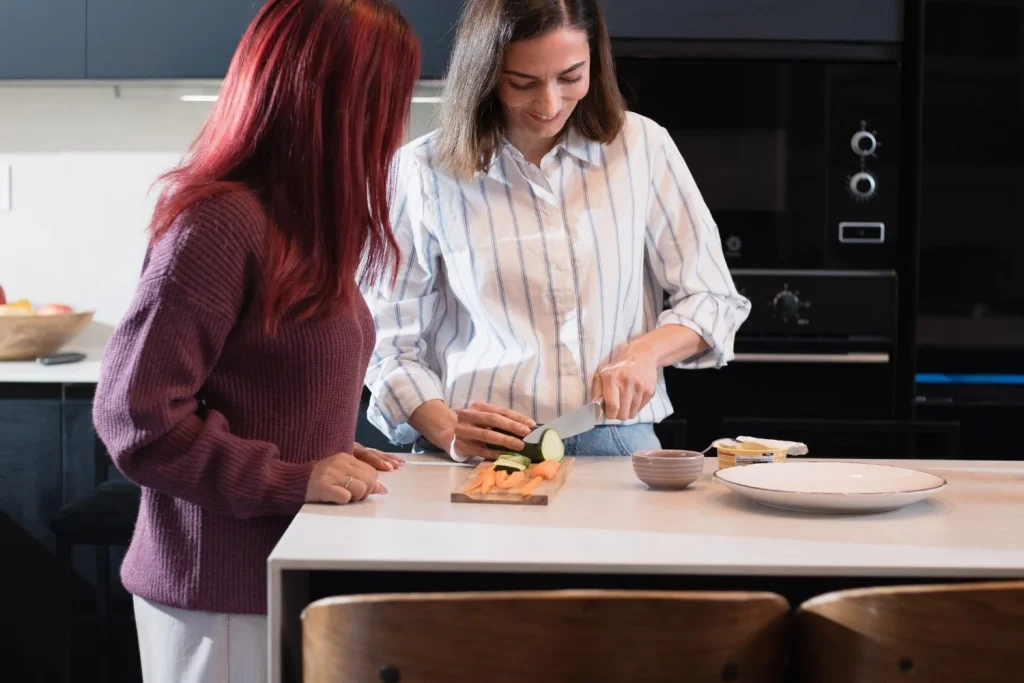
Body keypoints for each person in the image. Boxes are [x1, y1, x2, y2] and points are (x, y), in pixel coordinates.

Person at [91, 1, 419, 680]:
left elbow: (263, 385)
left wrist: (326, 449)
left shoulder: (297, 224)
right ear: (331, 103)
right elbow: (136, 419)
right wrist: (292, 476)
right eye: (386, 101)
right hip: (222, 595)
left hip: (274, 578)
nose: (395, 126)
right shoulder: (220, 223)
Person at [363, 0, 752, 461]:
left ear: (595, 61)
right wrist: (449, 431)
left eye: (570, 77)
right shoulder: (422, 170)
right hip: (478, 450)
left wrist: (648, 351)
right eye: (522, 83)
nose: (549, 104)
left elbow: (714, 299)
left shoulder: (643, 147)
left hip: (615, 442)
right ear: (485, 74)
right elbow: (385, 343)